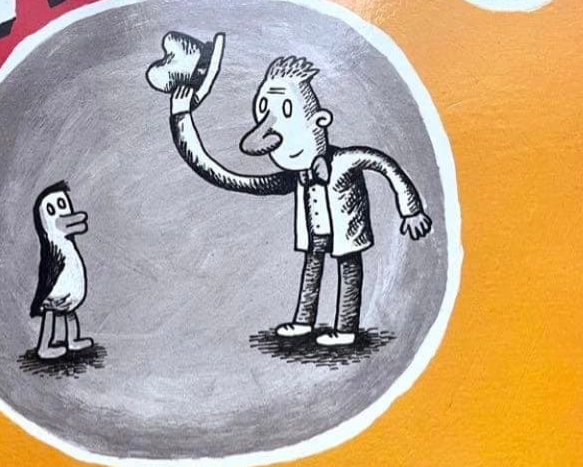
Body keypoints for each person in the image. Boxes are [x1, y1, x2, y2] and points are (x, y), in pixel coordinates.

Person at [168, 54, 432, 347]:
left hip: (345, 231)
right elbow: (228, 177)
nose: (270, 128)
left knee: (349, 268)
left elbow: (384, 164)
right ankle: (304, 321)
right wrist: (181, 118)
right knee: (312, 267)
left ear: (320, 120)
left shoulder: (345, 161)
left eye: (285, 110)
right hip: (315, 232)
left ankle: (346, 328)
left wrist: (411, 210)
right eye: (264, 110)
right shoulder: (295, 177)